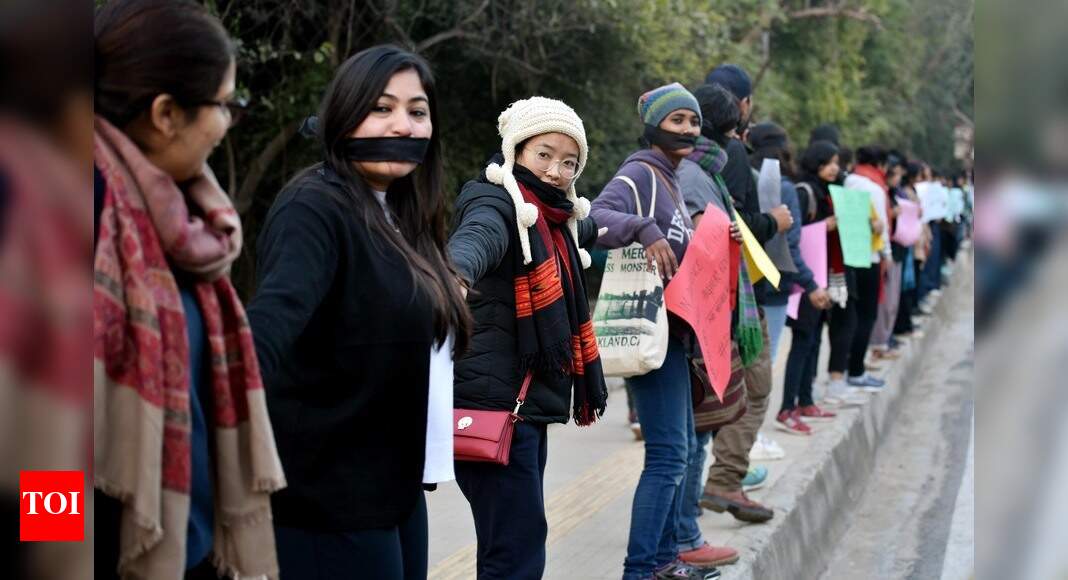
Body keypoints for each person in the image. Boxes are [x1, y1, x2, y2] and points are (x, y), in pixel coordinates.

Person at [246, 45, 472, 579]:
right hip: (326, 500)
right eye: (381, 108)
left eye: (417, 111)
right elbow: (270, 325)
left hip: (395, 489)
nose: (403, 125)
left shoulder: (403, 213)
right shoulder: (313, 207)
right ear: (344, 115)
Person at [93, 1, 286, 578]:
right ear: (166, 113)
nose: (228, 122)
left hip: (188, 549)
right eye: (224, 104)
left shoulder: (181, 219)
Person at [447, 96, 607, 579]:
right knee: (515, 552)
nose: (556, 171)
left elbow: (596, 225)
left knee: (514, 542)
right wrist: (455, 275)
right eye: (544, 154)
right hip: (495, 405)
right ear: (515, 149)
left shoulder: (558, 220)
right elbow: (478, 236)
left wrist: (644, 225)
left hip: (523, 406)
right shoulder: (497, 202)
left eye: (569, 162)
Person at [592, 83, 716, 580]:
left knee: (678, 452)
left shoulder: (671, 179)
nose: (688, 129)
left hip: (674, 336)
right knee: (667, 456)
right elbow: (594, 218)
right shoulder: (640, 173)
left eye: (693, 121)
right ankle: (640, 569)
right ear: (653, 126)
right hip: (651, 331)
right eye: (677, 120)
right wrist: (643, 230)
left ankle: (665, 562)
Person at [697, 67, 780, 528]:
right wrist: (776, 222)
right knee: (753, 388)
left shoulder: (683, 158)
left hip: (706, 295)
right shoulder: (727, 153)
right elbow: (738, 225)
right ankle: (725, 479)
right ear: (742, 105)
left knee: (711, 396)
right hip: (733, 297)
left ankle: (698, 494)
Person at [777, 141, 845, 434]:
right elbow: (794, 236)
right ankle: (787, 407)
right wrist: (824, 226)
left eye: (836, 163)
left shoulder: (823, 190)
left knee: (814, 339)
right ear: (816, 162)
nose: (834, 168)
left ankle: (805, 400)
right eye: (829, 162)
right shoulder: (804, 191)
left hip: (818, 275)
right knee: (803, 340)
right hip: (805, 278)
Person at [842, 146, 891, 391]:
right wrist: (887, 256)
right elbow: (881, 226)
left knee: (850, 317)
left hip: (848, 257)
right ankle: (856, 371)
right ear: (880, 164)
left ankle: (843, 369)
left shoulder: (847, 181)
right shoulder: (875, 188)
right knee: (866, 316)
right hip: (870, 257)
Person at [869, 155, 908, 360]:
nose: (899, 177)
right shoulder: (879, 193)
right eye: (896, 173)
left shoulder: (891, 193)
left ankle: (886, 339)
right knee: (884, 303)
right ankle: (878, 344)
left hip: (896, 250)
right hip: (885, 253)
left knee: (892, 302)